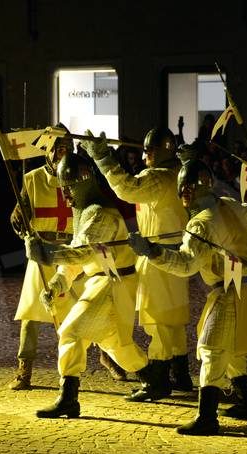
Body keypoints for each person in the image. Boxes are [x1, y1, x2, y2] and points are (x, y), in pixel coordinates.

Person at [129, 159, 247, 435]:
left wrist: (152, 252)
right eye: (183, 185)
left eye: (190, 186)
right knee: (228, 345)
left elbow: (186, 265)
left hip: (231, 289)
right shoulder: (226, 205)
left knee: (212, 346)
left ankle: (207, 416)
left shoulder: (201, 225)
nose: (184, 190)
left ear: (201, 187)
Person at [24, 153, 161, 418]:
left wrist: (47, 253)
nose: (66, 195)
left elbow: (82, 253)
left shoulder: (100, 215)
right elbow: (77, 258)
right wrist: (57, 282)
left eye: (69, 187)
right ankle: (153, 377)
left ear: (83, 183)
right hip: (103, 281)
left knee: (72, 332)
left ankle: (69, 397)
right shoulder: (87, 213)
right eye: (63, 188)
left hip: (113, 283)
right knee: (114, 342)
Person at [82, 128, 192, 400]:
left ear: (164, 150)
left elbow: (128, 189)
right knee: (174, 319)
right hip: (176, 254)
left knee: (158, 320)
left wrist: (103, 158)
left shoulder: (159, 177)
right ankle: (180, 374)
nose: (145, 156)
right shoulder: (180, 173)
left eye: (149, 151)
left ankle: (158, 380)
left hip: (157, 258)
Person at [8, 131, 82, 390]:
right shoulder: (33, 179)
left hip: (74, 253)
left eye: (66, 147)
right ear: (49, 151)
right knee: (32, 314)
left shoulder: (80, 176)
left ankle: (106, 357)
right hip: (41, 251)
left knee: (85, 309)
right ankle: (24, 368)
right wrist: (19, 218)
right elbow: (21, 213)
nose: (62, 152)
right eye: (58, 148)